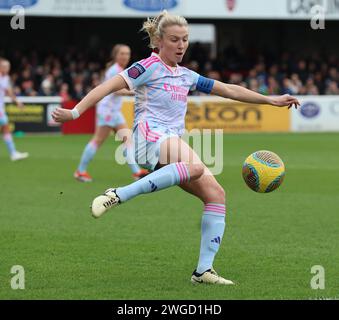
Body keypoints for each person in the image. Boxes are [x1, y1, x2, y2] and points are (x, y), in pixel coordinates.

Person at [52, 11, 299, 285]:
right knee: (194, 166)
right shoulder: (146, 67)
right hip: (148, 138)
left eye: (185, 40)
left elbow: (229, 90)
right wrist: (75, 112)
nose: (181, 45)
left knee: (216, 194)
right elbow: (107, 87)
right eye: (174, 39)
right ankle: (118, 194)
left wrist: (270, 100)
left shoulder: (187, 75)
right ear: (159, 40)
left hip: (170, 143)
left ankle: (203, 271)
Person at [74, 44, 149, 182]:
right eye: (122, 54)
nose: (125, 56)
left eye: (127, 53)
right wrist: (135, 92)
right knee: (98, 140)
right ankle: (80, 171)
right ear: (115, 56)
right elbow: (116, 90)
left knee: (127, 139)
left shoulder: (118, 69)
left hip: (114, 111)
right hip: (107, 111)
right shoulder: (115, 70)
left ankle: (137, 172)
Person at [0, 58, 29, 161]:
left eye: (8, 66)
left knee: (6, 129)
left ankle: (13, 153)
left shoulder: (6, 78)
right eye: (5, 66)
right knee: (6, 128)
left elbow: (9, 92)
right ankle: (13, 153)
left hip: (1, 109)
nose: (7, 68)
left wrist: (17, 102)